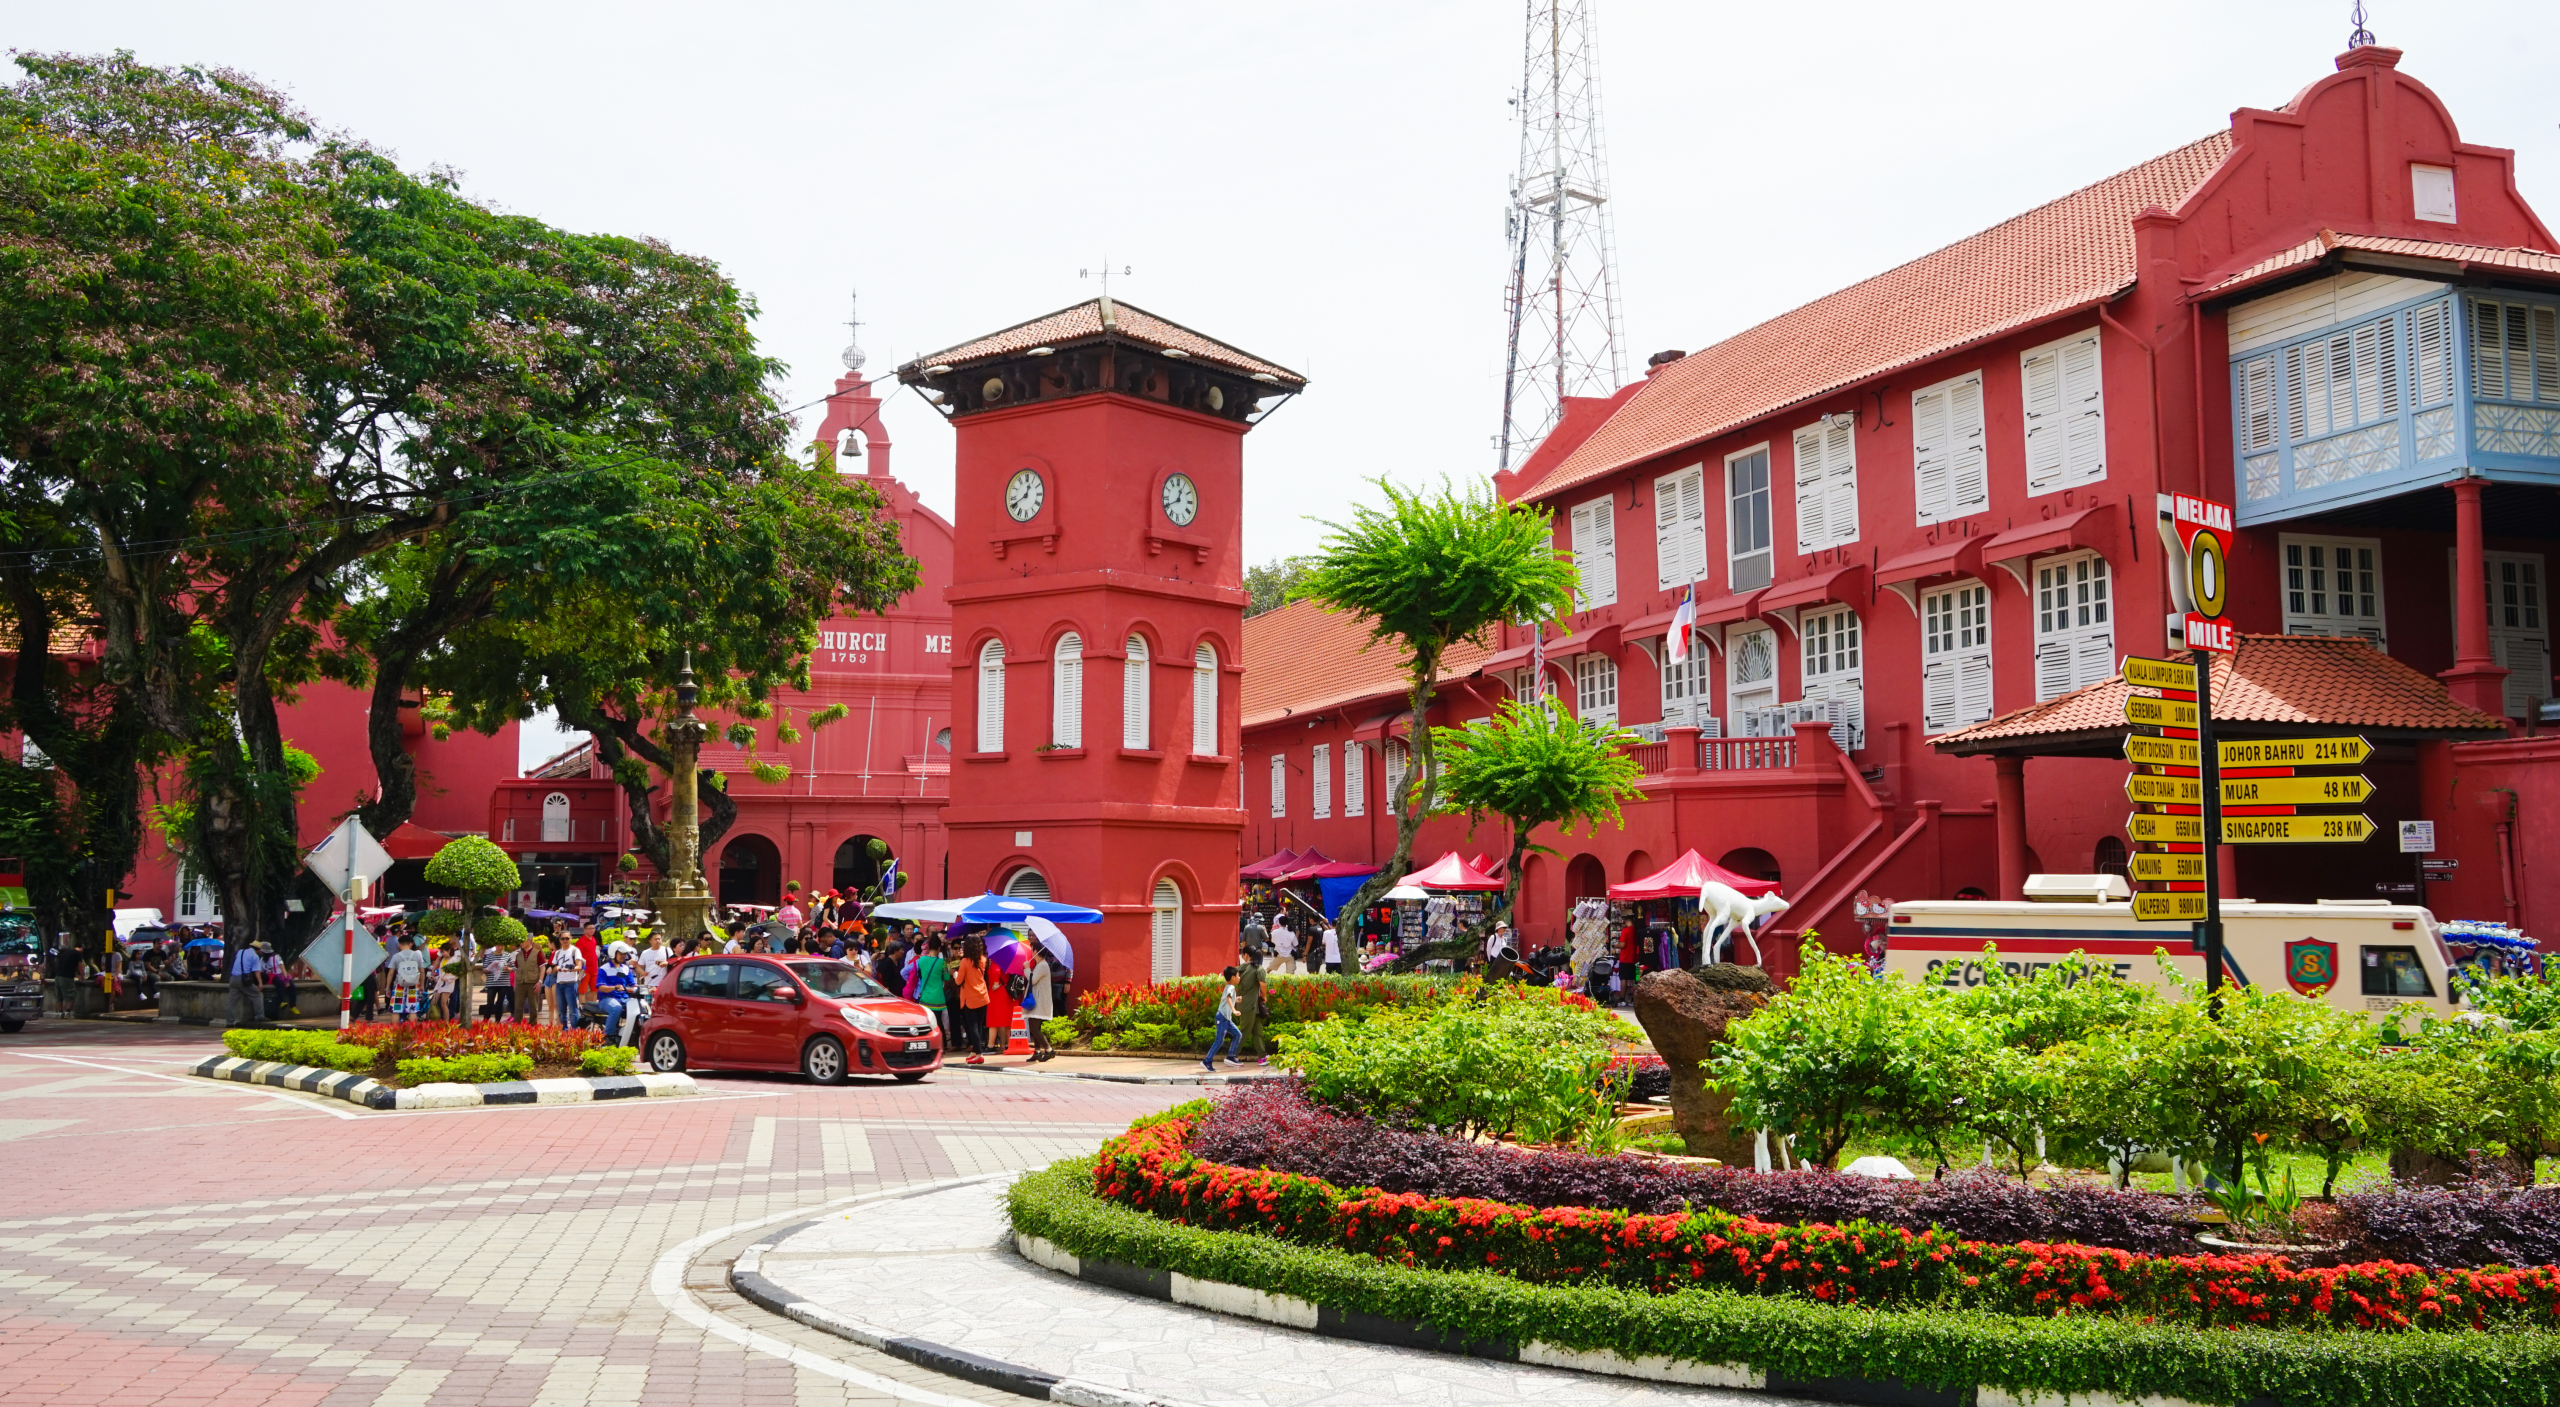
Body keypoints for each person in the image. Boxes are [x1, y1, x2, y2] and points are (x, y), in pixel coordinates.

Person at [950, 933, 991, 1065]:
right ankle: (975, 1051)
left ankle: (978, 1053)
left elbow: (958, 981)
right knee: (978, 1025)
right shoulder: (982, 959)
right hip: (982, 995)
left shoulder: (965, 962)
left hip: (970, 998)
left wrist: (956, 973)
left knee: (972, 1026)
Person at [915, 935, 953, 1051]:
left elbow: (919, 975)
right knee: (938, 1022)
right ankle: (942, 1046)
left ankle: (927, 1044)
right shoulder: (942, 962)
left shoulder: (921, 960)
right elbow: (946, 978)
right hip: (938, 998)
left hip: (925, 996)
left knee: (926, 1022)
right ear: (939, 949)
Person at [595, 944, 639, 1046]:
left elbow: (633, 984)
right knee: (616, 1008)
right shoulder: (604, 969)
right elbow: (601, 987)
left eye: (624, 954)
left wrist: (643, 988)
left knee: (637, 1007)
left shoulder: (626, 969)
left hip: (624, 998)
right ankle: (608, 1036)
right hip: (606, 999)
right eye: (620, 953)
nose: (623, 956)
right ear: (613, 953)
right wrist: (614, 987)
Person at [1203, 966, 1243, 1070]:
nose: (1239, 977)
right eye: (1238, 976)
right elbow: (1228, 998)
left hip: (1226, 1018)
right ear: (1233, 977)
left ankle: (1231, 1056)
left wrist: (1236, 1000)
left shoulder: (1229, 987)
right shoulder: (1231, 987)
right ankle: (1207, 1061)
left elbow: (1229, 999)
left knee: (1237, 1034)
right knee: (1219, 1041)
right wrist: (1234, 1010)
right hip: (1222, 1017)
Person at [1021, 945, 1056, 1062]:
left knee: (1034, 1028)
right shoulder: (1040, 965)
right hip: (1037, 1001)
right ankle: (1037, 1052)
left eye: (1032, 950)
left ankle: (1049, 1049)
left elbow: (1033, 979)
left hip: (1040, 1002)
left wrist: (1026, 968)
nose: (1031, 951)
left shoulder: (1042, 965)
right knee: (1034, 1026)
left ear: (1036, 951)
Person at [1232, 949, 1266, 1064]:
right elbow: (1263, 984)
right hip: (1250, 1005)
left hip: (1247, 1005)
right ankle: (1232, 1055)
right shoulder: (1259, 969)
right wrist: (1264, 996)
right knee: (1244, 1031)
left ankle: (1262, 1056)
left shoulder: (1242, 968)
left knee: (1257, 1031)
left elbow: (1229, 975)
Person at [384, 936, 426, 1025]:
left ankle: (395, 1031)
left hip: (399, 985)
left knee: (396, 1009)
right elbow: (422, 971)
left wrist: (387, 988)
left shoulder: (396, 956)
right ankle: (411, 1031)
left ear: (399, 944)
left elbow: (391, 973)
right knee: (412, 1009)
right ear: (410, 943)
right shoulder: (417, 955)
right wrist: (422, 985)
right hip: (413, 985)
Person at [226, 940, 265, 1027]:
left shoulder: (240, 951)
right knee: (257, 995)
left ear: (250, 946)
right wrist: (260, 983)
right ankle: (260, 1016)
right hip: (243, 979)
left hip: (233, 978)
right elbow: (256, 971)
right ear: (258, 950)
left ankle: (229, 1021)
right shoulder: (255, 956)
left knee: (232, 1002)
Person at [550, 933, 585, 1030]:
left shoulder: (575, 950)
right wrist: (555, 968)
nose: (565, 940)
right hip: (559, 983)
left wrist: (569, 969)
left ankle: (575, 1030)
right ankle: (564, 1030)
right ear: (560, 940)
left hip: (570, 983)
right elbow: (552, 967)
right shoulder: (557, 953)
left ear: (571, 938)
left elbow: (579, 966)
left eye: (567, 938)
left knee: (573, 1010)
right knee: (561, 1010)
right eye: (562, 939)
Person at [515, 936, 549, 1024]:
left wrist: (540, 982)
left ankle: (533, 1025)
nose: (521, 943)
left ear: (529, 941)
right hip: (520, 982)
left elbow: (542, 968)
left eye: (523, 941)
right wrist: (515, 983)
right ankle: (517, 1025)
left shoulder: (537, 953)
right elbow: (516, 969)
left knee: (533, 1006)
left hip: (533, 982)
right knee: (518, 1006)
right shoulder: (518, 954)